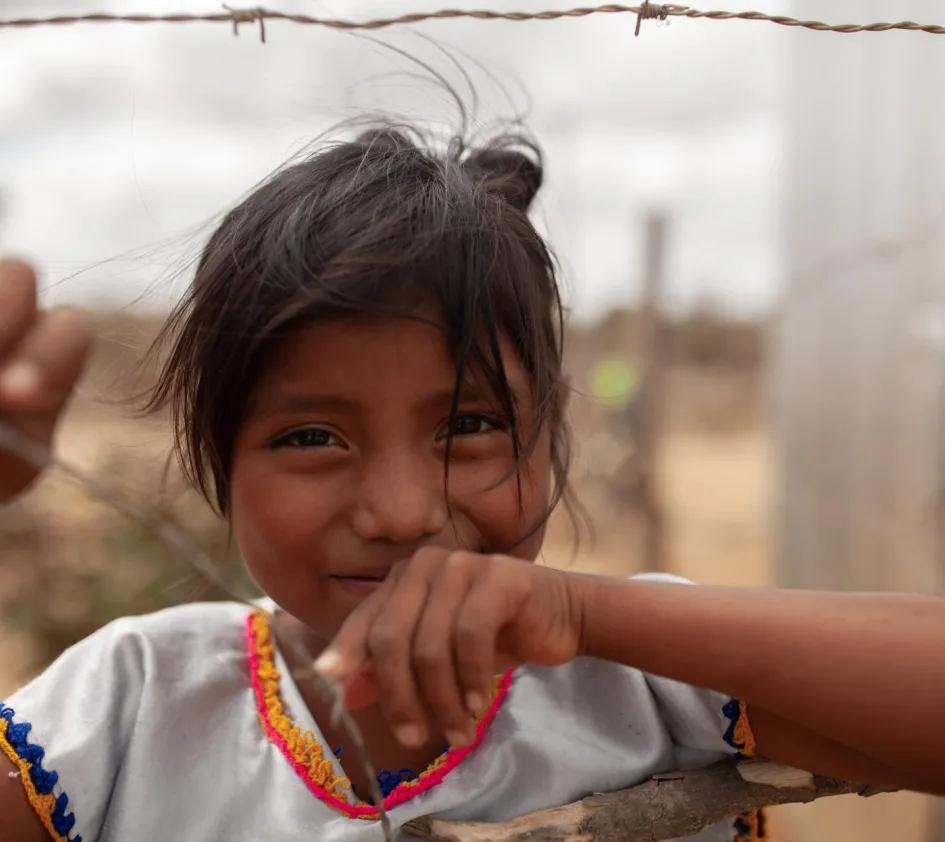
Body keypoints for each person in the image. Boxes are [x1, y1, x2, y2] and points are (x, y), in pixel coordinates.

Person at [0, 126, 940, 842]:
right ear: (218, 461)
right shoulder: (133, 704)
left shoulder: (648, 682)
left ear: (547, 431)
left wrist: (584, 615)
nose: (405, 512)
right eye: (312, 435)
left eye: (470, 426)